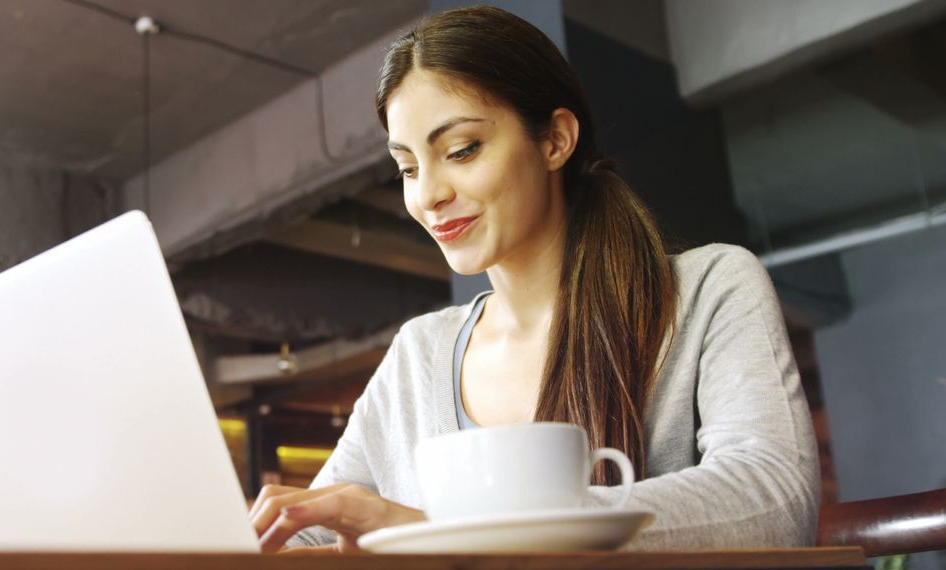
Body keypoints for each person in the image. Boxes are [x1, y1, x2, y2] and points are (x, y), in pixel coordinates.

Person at [248, 5, 820, 553]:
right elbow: (308, 532)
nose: (428, 195)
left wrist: (451, 531)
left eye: (462, 150)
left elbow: (773, 498)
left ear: (555, 139)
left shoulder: (710, 290)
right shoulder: (418, 354)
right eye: (408, 168)